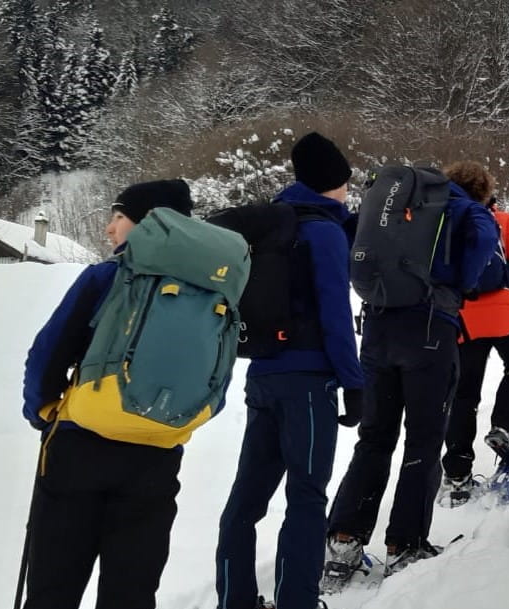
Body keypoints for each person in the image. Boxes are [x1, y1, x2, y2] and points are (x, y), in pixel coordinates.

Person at [21, 180, 222, 609]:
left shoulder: (107, 277)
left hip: (80, 446)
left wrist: (41, 409)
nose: (110, 230)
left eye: (118, 216)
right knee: (131, 591)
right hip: (156, 453)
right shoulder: (209, 291)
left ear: (150, 222)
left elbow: (49, 352)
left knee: (53, 586)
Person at [324, 159, 499, 581]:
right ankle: (405, 542)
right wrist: (458, 286)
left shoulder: (402, 205)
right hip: (430, 330)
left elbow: (354, 238)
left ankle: (343, 539)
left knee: (374, 437)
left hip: (379, 326)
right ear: (480, 191)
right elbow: (483, 262)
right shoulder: (470, 212)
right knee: (423, 438)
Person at [215, 133, 364, 609]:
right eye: (344, 183)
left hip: (262, 376)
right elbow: (336, 315)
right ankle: (296, 600)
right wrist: (354, 383)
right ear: (333, 183)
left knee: (245, 501)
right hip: (309, 381)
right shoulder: (323, 232)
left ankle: (234, 599)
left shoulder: (269, 228)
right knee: (306, 496)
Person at [439, 163, 509, 503]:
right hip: (503, 315)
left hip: (462, 317)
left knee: (464, 393)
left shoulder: (442, 222)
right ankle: (504, 428)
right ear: (486, 190)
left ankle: (457, 471)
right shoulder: (500, 220)